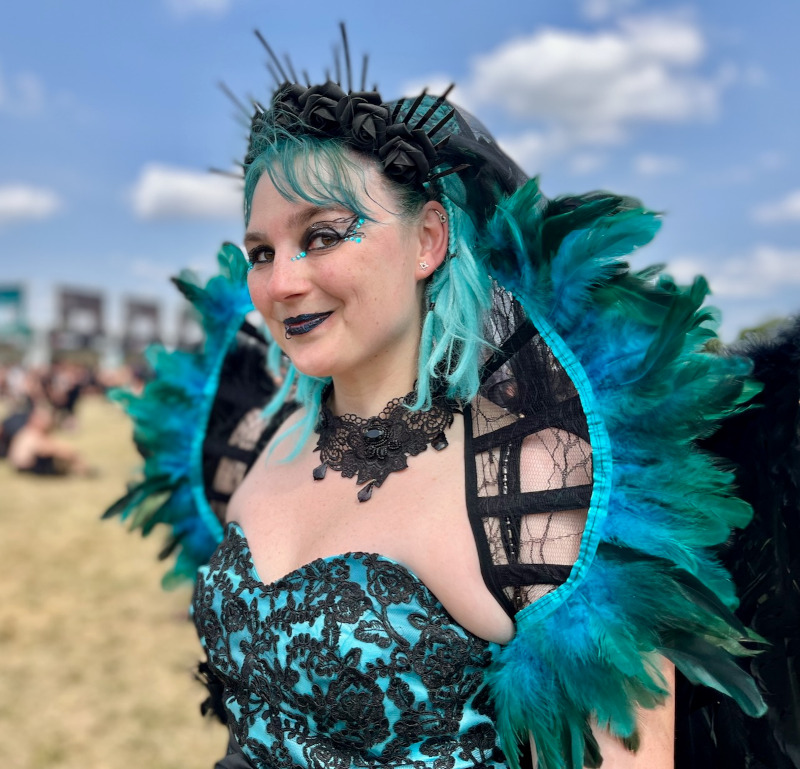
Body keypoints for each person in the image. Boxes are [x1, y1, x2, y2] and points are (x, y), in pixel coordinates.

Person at [107, 26, 796, 769]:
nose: (282, 282)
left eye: (324, 236)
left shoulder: (540, 479)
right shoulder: (256, 433)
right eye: (262, 252)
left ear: (428, 240)